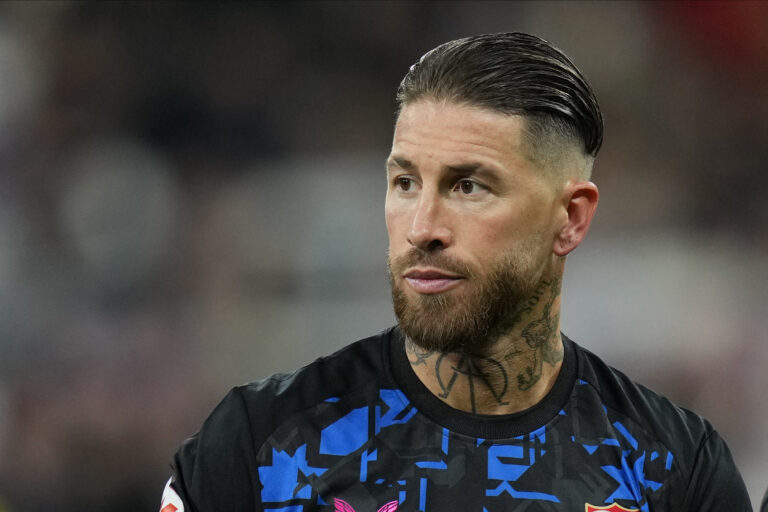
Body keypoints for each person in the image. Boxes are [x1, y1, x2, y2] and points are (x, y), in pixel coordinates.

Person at [159, 32, 751, 512]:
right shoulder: (259, 446)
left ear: (570, 219)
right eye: (405, 183)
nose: (423, 227)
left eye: (468, 186)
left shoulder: (673, 470)